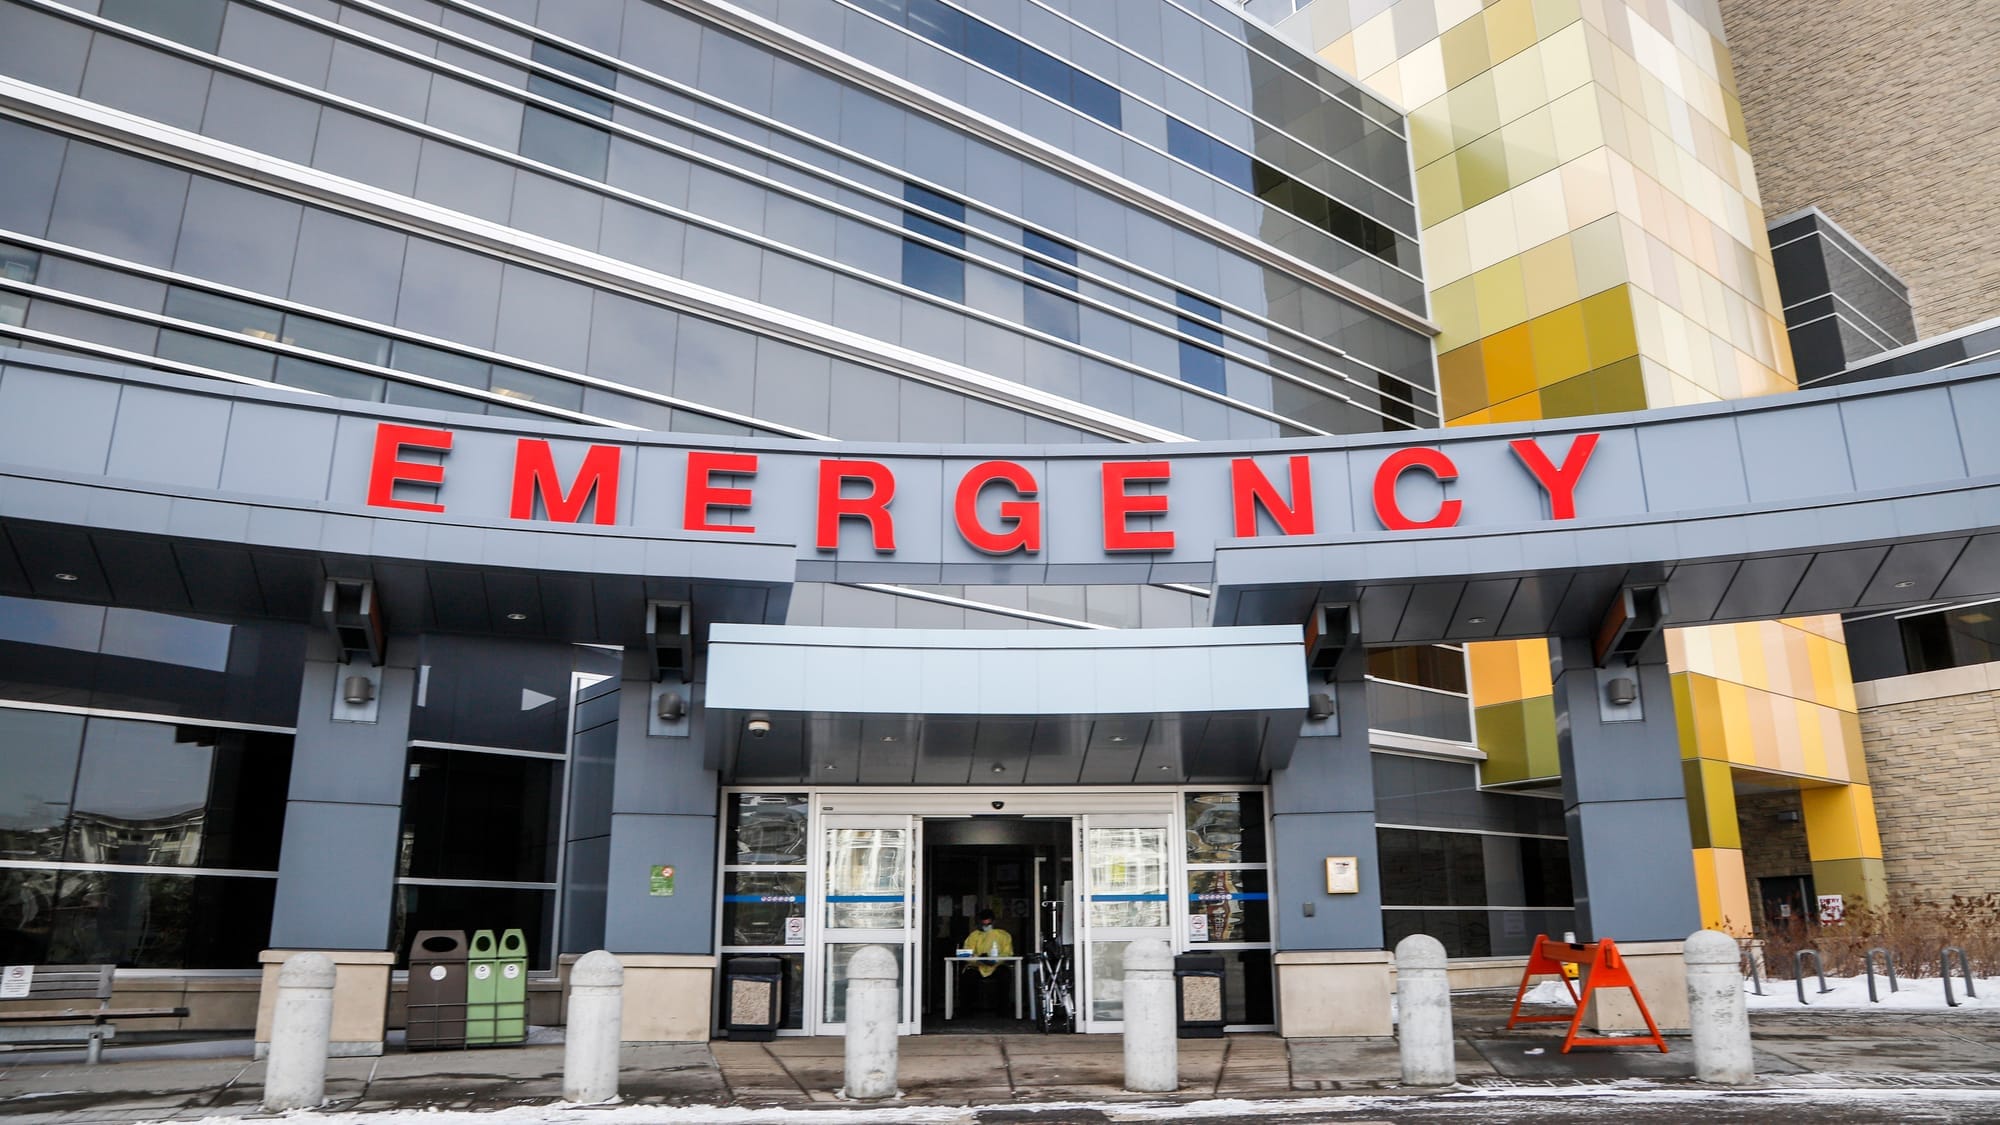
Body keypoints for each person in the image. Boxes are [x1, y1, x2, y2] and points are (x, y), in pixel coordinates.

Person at [961, 908, 1013, 1014]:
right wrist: (979, 959)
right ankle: (965, 1010)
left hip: (996, 966)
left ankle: (1003, 1009)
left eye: (988, 923)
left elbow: (1007, 953)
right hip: (977, 967)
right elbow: (966, 952)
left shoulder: (1003, 935)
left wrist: (995, 961)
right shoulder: (974, 936)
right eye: (983, 923)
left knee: (1005, 975)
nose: (986, 926)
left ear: (993, 921)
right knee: (967, 977)